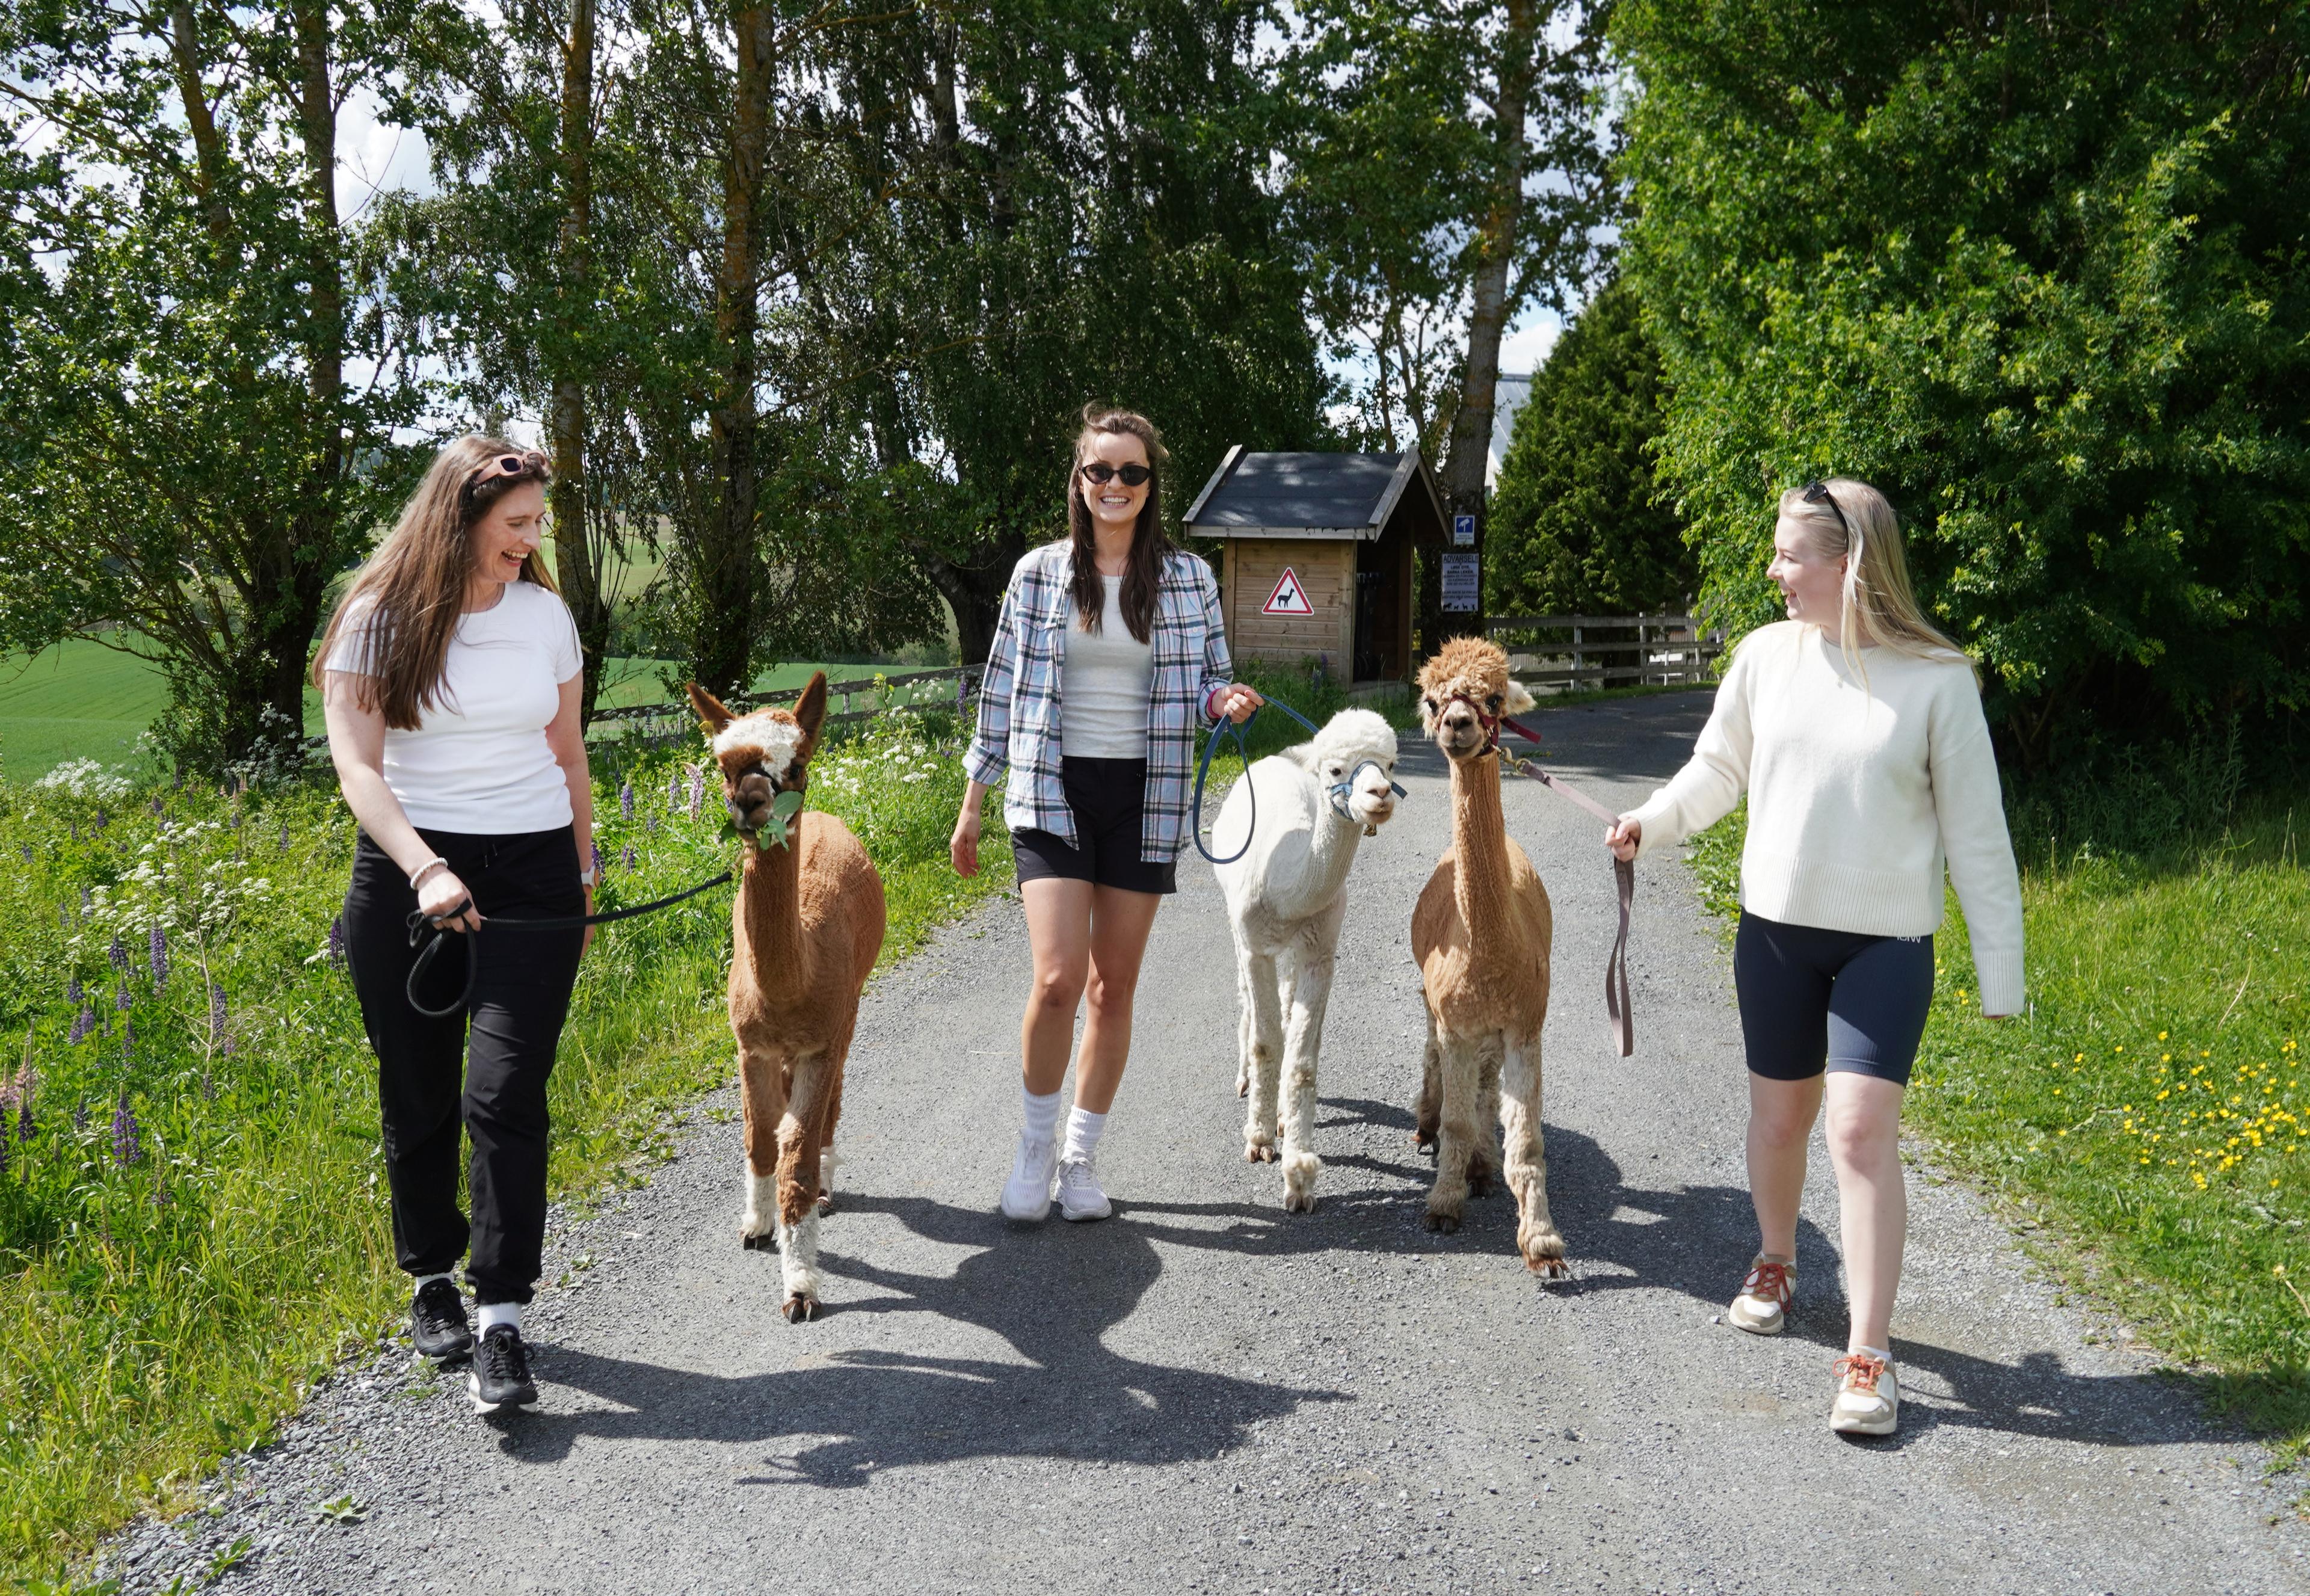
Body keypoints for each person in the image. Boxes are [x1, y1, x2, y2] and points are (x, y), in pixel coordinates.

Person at [1604, 478, 2024, 1437]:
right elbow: (1718, 768)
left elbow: (1980, 835)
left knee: (1861, 1133)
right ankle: (1778, 1257)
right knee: (1780, 1117)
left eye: (1791, 555)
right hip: (1777, 935)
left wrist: (2002, 967)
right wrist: (1650, 823)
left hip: (1886, 943)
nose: (1774, 571)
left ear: (1852, 564)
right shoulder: (1764, 657)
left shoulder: (1938, 679)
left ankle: (1868, 1354)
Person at [315, 437, 597, 1415]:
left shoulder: (545, 615)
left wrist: (585, 871)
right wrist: (425, 866)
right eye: (516, 522)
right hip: (408, 871)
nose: (532, 538)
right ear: (459, 516)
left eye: (536, 522)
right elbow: (358, 767)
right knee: (420, 1085)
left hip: (532, 871)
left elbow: (567, 754)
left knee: (506, 1090)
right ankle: (430, 1272)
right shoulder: (377, 618)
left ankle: (503, 1315)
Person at [951, 405, 1261, 1223]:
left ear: (1152, 485)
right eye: (1100, 470)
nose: (1115, 485)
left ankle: (1081, 1160)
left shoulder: (1189, 579)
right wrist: (972, 803)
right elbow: (1000, 691)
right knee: (1057, 980)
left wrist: (1225, 699)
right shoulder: (1038, 573)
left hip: (1145, 796)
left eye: (1132, 472)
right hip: (1052, 791)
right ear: (1078, 481)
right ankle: (1034, 1148)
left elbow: (1210, 682)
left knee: (1112, 985)